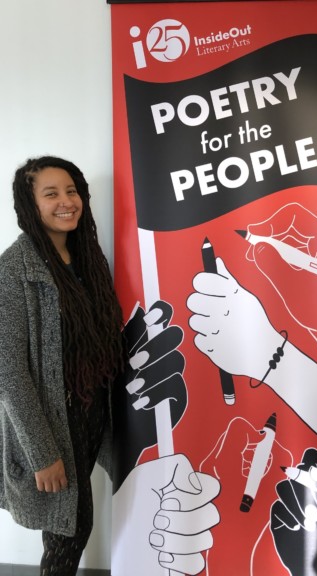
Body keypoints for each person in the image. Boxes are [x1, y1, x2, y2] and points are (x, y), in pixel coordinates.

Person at [0, 156, 126, 575]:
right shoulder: (13, 270)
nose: (66, 201)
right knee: (69, 533)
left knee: (71, 530)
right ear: (29, 205)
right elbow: (9, 371)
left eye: (71, 191)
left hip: (90, 417)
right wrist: (42, 453)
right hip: (53, 428)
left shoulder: (87, 259)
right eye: (51, 193)